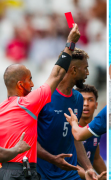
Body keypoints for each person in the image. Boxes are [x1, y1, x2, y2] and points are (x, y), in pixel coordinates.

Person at [0, 24, 80, 179]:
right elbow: (57, 74)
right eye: (29, 80)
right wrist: (70, 43)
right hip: (22, 172)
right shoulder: (28, 103)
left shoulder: (1, 110)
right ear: (20, 85)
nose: (32, 84)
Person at [36, 43, 100, 179]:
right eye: (85, 68)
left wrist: (89, 168)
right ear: (74, 70)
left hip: (70, 174)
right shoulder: (43, 97)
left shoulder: (78, 98)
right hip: (43, 174)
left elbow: (75, 137)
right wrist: (52, 159)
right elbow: (29, 139)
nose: (88, 73)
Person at [71, 84, 106, 180]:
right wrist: (93, 175)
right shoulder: (69, 128)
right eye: (82, 100)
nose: (86, 104)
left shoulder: (95, 129)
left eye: (90, 100)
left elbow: (96, 158)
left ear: (96, 105)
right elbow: (67, 163)